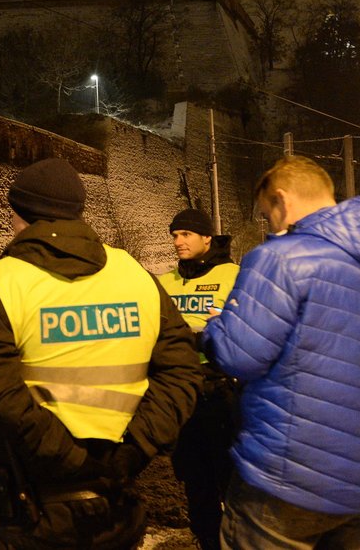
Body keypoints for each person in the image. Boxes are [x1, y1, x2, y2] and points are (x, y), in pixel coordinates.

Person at [0, 158, 202, 550]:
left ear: (21, 214)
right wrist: (136, 448)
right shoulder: (135, 275)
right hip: (117, 499)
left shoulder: (2, 282)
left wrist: (68, 459)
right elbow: (183, 372)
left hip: (34, 504)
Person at [202, 155, 360, 549]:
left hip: (288, 480)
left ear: (282, 200)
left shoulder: (280, 257)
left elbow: (239, 356)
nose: (268, 224)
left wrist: (216, 328)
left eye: (264, 213)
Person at [156, 209, 239, 550]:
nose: (178, 242)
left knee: (233, 483)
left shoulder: (234, 274)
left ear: (207, 237)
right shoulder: (164, 281)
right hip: (180, 393)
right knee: (195, 482)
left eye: (186, 234)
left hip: (223, 391)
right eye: (174, 235)